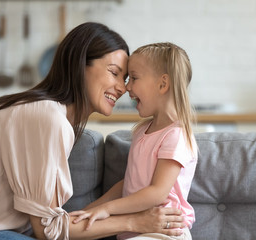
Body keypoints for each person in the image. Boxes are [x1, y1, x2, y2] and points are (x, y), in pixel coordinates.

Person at [0, 23, 186, 240]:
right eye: (114, 73)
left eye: (126, 78)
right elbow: (47, 230)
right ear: (80, 66)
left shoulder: (45, 113)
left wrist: (95, 214)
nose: (123, 88)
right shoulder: (48, 118)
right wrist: (135, 221)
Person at [70, 42, 198, 240]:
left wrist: (107, 209)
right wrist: (90, 210)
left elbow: (157, 193)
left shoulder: (176, 136)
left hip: (164, 231)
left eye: (134, 78)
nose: (126, 87)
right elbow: (129, 183)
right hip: (136, 232)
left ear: (163, 84)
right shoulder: (142, 131)